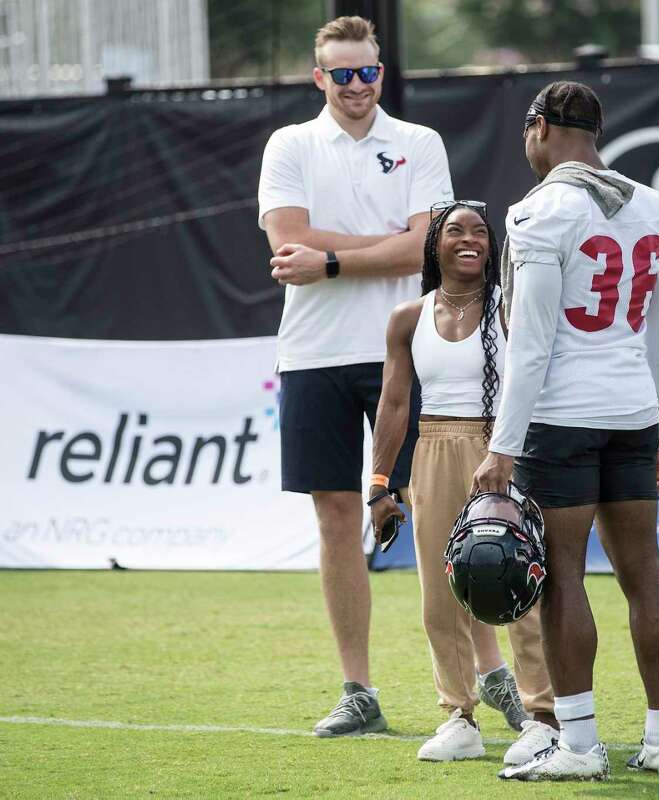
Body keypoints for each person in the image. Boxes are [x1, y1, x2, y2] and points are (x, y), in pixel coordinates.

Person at [471, 80, 659, 780]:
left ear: (538, 128)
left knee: (563, 577)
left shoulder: (541, 212)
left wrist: (502, 444)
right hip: (632, 410)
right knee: (645, 573)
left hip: (561, 415)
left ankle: (581, 744)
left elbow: (531, 343)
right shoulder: (657, 210)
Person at [257, 15, 452, 736]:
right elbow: (286, 241)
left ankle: (469, 686)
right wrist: (392, 242)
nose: (357, 85)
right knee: (336, 518)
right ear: (320, 78)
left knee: (435, 513)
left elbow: (428, 250)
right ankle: (358, 691)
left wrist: (333, 258)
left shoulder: (417, 142)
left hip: (407, 350)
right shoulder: (291, 144)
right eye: (341, 74)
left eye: (366, 71)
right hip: (311, 354)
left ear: (380, 70)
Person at [366, 201, 559, 759]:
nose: (470, 239)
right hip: (433, 449)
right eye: (456, 231)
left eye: (480, 231)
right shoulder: (408, 317)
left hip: (502, 448)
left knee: (519, 583)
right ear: (436, 245)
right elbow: (394, 404)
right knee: (441, 591)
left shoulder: (509, 308)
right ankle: (459, 717)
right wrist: (379, 483)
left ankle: (541, 715)